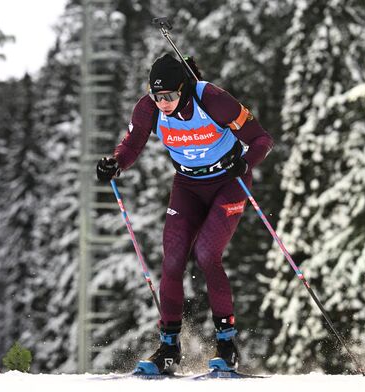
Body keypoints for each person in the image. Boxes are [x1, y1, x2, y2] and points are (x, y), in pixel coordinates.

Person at [96, 53, 273, 375]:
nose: (163, 103)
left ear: (184, 89)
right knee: (173, 259)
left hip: (229, 181)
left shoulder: (213, 99)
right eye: (157, 96)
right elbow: (132, 145)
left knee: (207, 254)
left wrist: (246, 163)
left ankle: (227, 347)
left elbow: (262, 139)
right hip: (188, 184)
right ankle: (168, 349)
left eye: (170, 96)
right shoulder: (148, 108)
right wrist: (116, 162)